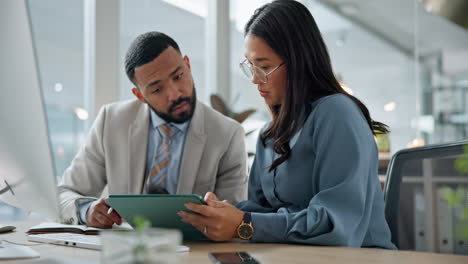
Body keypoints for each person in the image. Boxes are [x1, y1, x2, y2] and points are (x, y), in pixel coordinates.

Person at [179, 0, 396, 249]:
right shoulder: (268, 135)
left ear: (298, 61)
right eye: (251, 67)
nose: (255, 79)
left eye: (264, 67)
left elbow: (336, 225)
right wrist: (221, 214)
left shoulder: (337, 114)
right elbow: (261, 211)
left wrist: (244, 223)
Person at [58, 32, 248, 228]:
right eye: (157, 89)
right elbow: (64, 193)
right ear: (139, 94)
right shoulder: (111, 121)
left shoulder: (228, 135)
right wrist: (86, 210)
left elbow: (232, 220)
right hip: (126, 251)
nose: (174, 94)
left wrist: (220, 218)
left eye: (178, 76)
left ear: (188, 65)